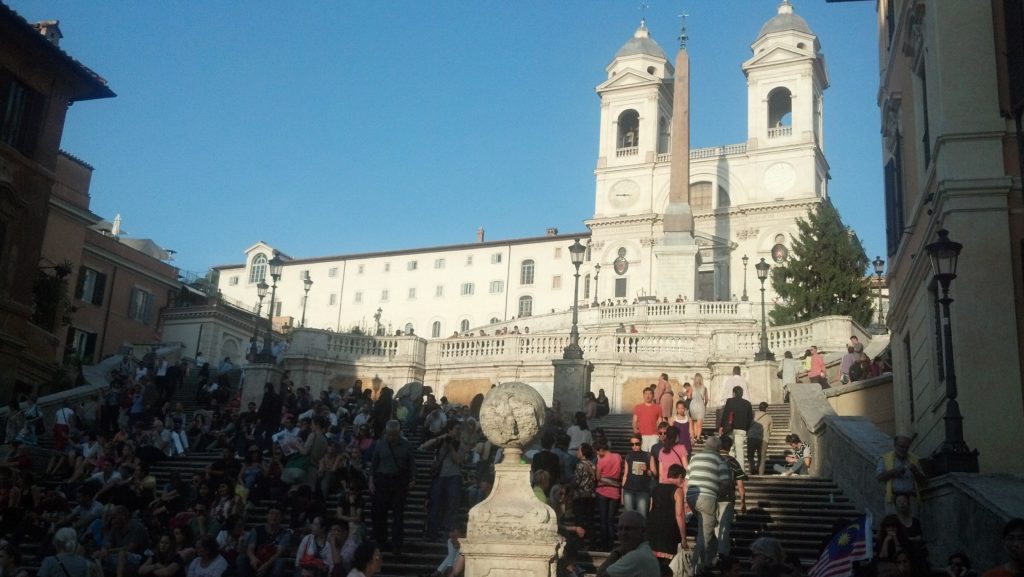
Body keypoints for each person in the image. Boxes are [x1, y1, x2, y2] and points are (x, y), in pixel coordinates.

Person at [685, 435, 731, 576]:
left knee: (705, 530)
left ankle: (710, 561)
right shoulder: (719, 459)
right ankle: (695, 569)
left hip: (691, 497)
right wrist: (718, 494)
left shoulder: (694, 458)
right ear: (718, 448)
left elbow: (687, 479)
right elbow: (726, 482)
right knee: (704, 536)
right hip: (707, 498)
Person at [369, 420, 415, 556]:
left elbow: (411, 463)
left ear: (399, 432)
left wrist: (413, 479)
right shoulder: (380, 444)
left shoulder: (406, 445)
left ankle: (397, 545)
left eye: (394, 435)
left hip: (399, 482)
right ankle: (381, 542)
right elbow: (374, 463)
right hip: (382, 480)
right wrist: (371, 480)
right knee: (379, 514)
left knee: (398, 516)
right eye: (389, 434)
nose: (391, 437)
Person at [595, 510, 660, 577]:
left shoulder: (636, 556)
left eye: (628, 529)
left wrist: (616, 553)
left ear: (642, 531)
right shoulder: (644, 551)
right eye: (620, 528)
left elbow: (600, 575)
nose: (623, 533)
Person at [646, 464, 688, 566]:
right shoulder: (678, 491)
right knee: (667, 565)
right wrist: (683, 538)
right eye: (683, 479)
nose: (683, 482)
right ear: (680, 476)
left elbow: (651, 509)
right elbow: (679, 515)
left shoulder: (655, 488)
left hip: (653, 527)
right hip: (669, 530)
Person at [876, 435, 925, 513]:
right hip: (893, 499)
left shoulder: (915, 460)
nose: (904, 449)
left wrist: (915, 471)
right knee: (893, 524)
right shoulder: (885, 458)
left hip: (911, 499)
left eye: (907, 447)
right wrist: (894, 471)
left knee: (913, 524)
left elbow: (923, 482)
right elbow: (879, 477)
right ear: (895, 445)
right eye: (901, 446)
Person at [716, 435, 747, 558]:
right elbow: (740, 485)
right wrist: (743, 502)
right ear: (730, 447)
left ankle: (713, 555)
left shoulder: (712, 460)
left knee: (714, 528)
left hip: (712, 498)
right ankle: (723, 555)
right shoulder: (733, 462)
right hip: (728, 499)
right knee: (724, 528)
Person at [237, 507, 291, 577]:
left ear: (281, 518)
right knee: (241, 558)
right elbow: (250, 549)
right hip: (256, 561)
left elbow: (279, 553)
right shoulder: (256, 530)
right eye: (271, 513)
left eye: (277, 514)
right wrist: (253, 558)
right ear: (267, 516)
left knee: (280, 562)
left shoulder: (285, 534)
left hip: (272, 564)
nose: (274, 516)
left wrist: (265, 566)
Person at [595, 439, 624, 551]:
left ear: (601, 449)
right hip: (615, 491)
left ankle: (604, 544)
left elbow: (597, 477)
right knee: (611, 519)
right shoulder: (618, 456)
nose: (597, 454)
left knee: (603, 519)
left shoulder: (601, 461)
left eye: (598, 451)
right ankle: (612, 543)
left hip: (602, 491)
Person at [719, 386, 753, 473]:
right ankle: (741, 471)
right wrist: (747, 429)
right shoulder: (747, 403)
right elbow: (750, 419)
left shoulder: (730, 401)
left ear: (734, 393)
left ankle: (730, 469)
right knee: (740, 450)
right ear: (742, 394)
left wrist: (722, 426)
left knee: (730, 449)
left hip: (730, 429)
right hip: (741, 429)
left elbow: (725, 414)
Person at [620, 435, 652, 519]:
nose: (634, 446)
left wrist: (647, 470)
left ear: (641, 442)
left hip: (643, 489)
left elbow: (654, 474)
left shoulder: (647, 455)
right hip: (628, 489)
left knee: (642, 516)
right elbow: (625, 475)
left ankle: (642, 532)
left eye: (636, 443)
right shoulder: (628, 456)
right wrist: (622, 492)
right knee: (629, 516)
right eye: (632, 444)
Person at [748, 402, 773, 475]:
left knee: (750, 455)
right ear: (766, 408)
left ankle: (752, 469)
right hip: (763, 439)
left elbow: (748, 424)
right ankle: (761, 473)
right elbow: (770, 430)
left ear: (759, 407)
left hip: (752, 437)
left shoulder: (753, 414)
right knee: (761, 457)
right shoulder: (769, 417)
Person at [690, 373, 708, 442]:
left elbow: (689, 396)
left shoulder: (692, 387)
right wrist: (704, 405)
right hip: (700, 404)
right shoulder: (704, 388)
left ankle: (694, 435)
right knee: (699, 422)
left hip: (693, 404)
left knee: (694, 420)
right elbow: (706, 399)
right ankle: (698, 437)